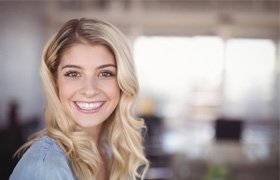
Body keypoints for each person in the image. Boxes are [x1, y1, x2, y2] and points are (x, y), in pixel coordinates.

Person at [10, 18, 149, 180]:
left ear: (122, 81)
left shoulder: (108, 151)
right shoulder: (46, 167)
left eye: (105, 73)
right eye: (73, 74)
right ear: (55, 81)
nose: (89, 90)